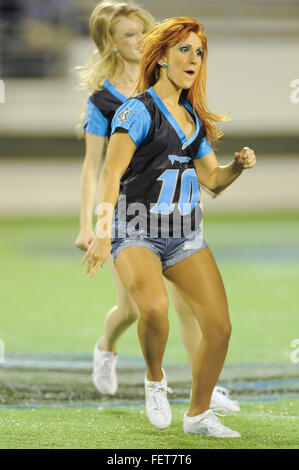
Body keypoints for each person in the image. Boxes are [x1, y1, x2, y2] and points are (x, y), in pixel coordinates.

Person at [76, 1, 239, 414]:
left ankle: (204, 386)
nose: (137, 40)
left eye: (140, 32)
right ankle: (108, 348)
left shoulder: (183, 102)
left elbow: (210, 176)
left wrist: (235, 166)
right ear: (111, 45)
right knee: (140, 309)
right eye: (126, 34)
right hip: (129, 220)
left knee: (191, 309)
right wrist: (93, 226)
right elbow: (97, 169)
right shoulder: (109, 103)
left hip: (177, 226)